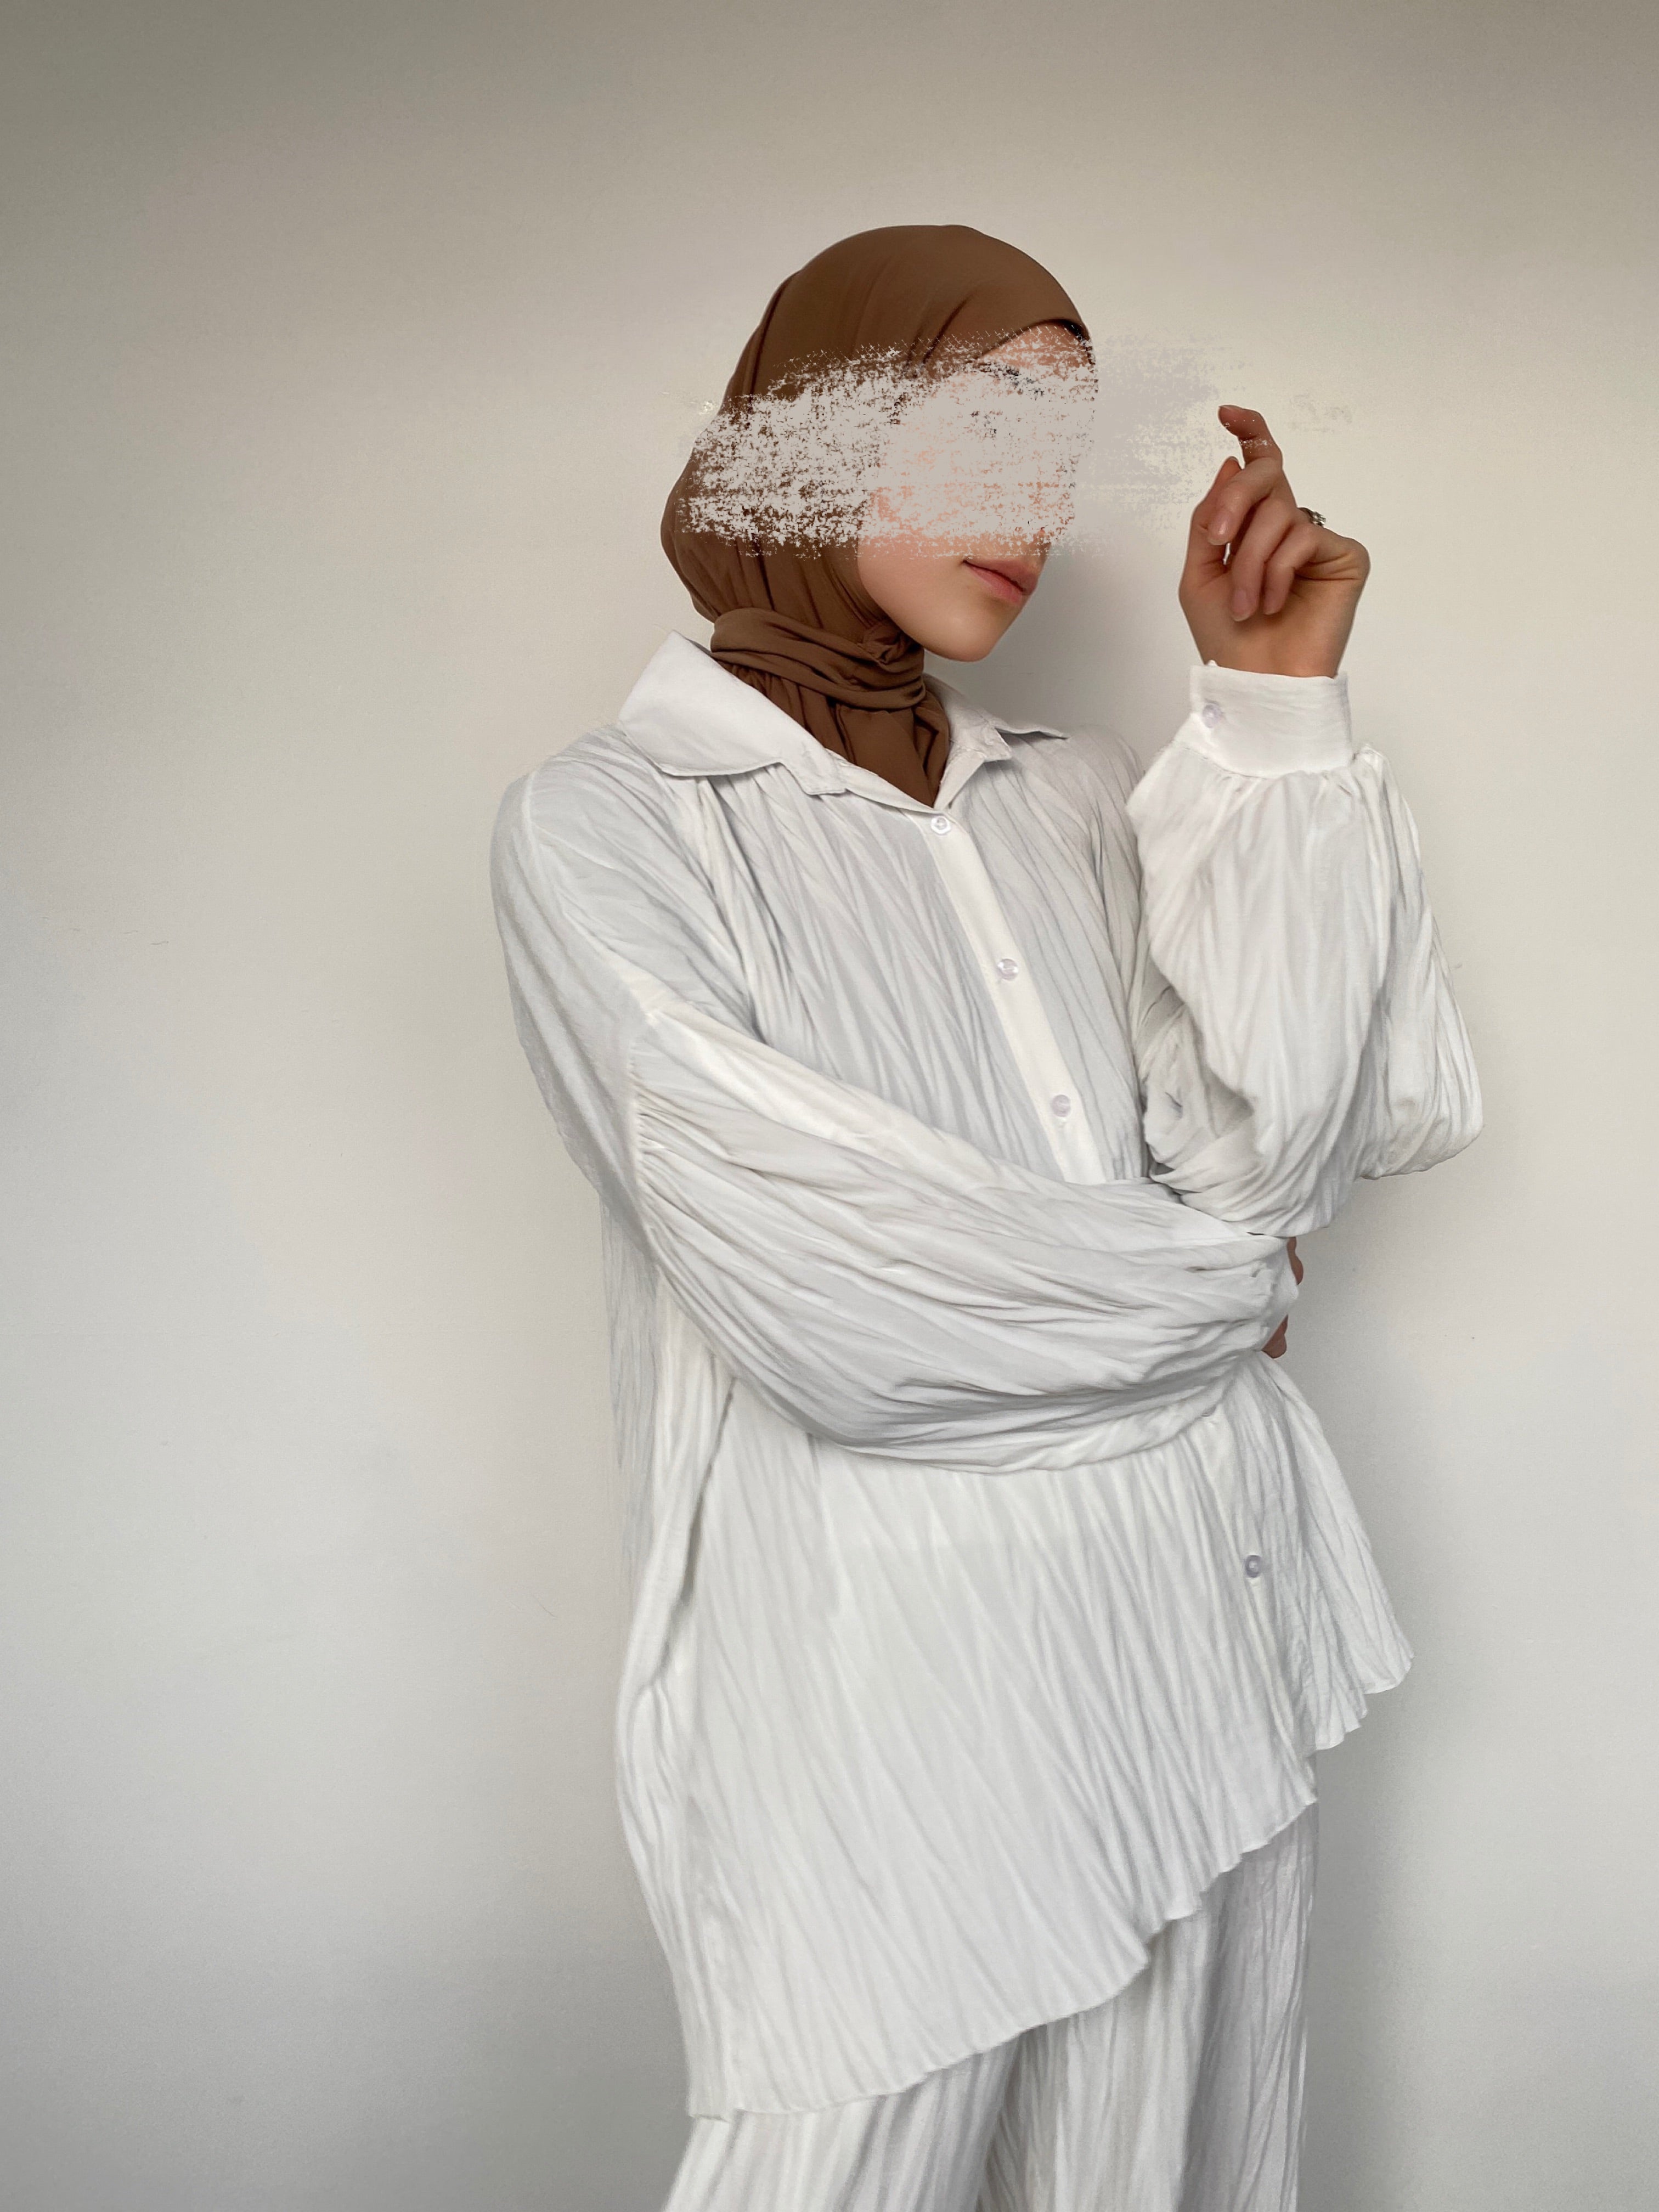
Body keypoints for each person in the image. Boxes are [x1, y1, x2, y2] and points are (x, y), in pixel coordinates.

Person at [490, 225, 1481, 2212]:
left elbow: (1285, 1150)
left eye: (1055, 455)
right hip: (890, 1697)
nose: (1027, 511)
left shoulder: (1075, 795)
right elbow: (841, 1303)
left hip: (1197, 1626)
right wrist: (1222, 1293)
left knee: (1166, 2171)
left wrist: (1271, 709)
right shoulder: (615, 822)